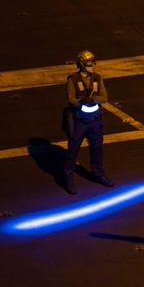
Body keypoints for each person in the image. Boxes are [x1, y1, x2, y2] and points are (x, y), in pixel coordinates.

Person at [63, 50, 113, 194]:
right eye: (89, 64)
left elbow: (104, 97)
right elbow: (71, 99)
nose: (92, 67)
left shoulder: (97, 78)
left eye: (93, 63)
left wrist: (94, 99)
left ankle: (99, 174)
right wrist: (81, 101)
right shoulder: (72, 79)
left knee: (97, 148)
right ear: (82, 64)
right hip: (79, 121)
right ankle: (68, 178)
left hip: (95, 120)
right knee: (73, 149)